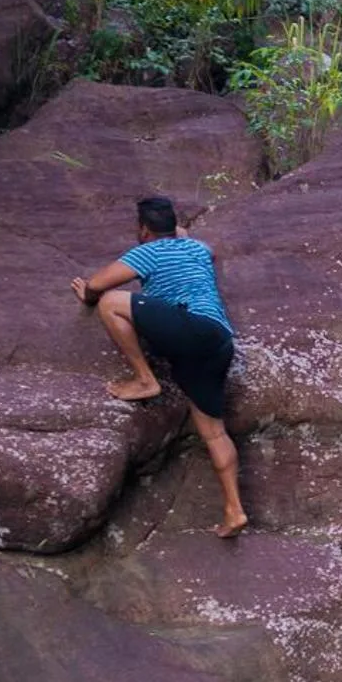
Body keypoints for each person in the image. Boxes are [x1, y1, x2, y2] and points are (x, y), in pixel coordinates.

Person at [71, 196, 248, 538]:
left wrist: (88, 296)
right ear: (175, 228)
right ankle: (235, 510)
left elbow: (97, 285)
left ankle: (144, 380)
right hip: (217, 340)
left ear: (143, 229)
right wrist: (177, 234)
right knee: (213, 431)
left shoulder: (146, 252)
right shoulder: (197, 250)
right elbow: (209, 251)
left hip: (187, 326)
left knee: (111, 302)